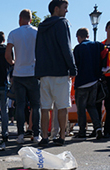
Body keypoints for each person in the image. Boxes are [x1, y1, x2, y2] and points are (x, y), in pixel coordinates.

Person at [35, 0, 77, 147]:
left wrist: (39, 71)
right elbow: (66, 47)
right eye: (65, 8)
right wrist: (72, 68)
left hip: (44, 72)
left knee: (45, 107)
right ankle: (61, 137)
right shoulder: (62, 23)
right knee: (62, 106)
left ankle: (44, 137)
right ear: (57, 8)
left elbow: (38, 49)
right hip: (60, 71)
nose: (66, 11)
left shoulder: (42, 26)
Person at [6, 9, 41, 144]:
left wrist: (13, 62)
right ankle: (36, 134)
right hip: (33, 73)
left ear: (19, 19)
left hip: (19, 73)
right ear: (31, 19)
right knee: (35, 105)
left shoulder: (13, 33)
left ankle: (20, 134)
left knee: (20, 105)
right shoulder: (37, 32)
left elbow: (7, 54)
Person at [72, 28, 105, 140]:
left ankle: (82, 131)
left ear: (78, 37)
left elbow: (75, 64)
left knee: (81, 109)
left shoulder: (78, 48)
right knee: (92, 106)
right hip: (95, 80)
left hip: (82, 82)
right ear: (88, 35)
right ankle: (98, 127)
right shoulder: (97, 45)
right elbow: (106, 51)